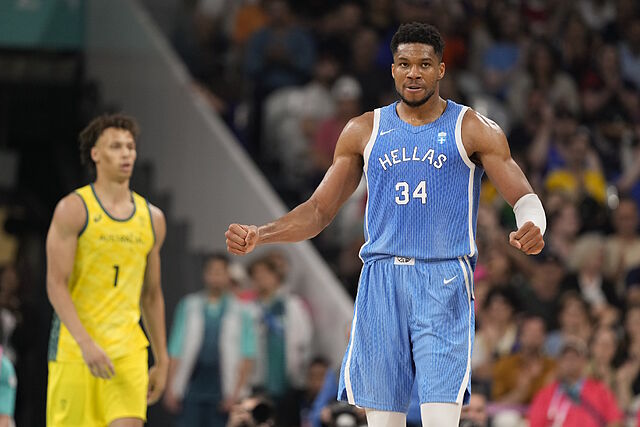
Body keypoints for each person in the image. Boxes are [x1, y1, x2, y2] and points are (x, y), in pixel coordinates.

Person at [226, 22, 546, 427]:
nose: (414, 73)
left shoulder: (472, 128)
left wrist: (533, 223)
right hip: (381, 279)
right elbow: (319, 211)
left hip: (443, 278)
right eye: (405, 64)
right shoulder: (363, 129)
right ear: (393, 69)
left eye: (424, 64)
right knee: (383, 422)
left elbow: (523, 195)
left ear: (441, 70)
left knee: (441, 418)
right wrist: (262, 234)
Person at [46, 114, 168, 427]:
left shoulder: (152, 218)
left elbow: (152, 295)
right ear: (95, 154)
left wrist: (163, 359)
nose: (126, 153)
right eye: (116, 146)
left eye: (130, 146)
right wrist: (87, 344)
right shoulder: (73, 209)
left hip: (127, 350)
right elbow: (56, 284)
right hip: (75, 349)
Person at [164, 253, 256, 427]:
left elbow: (247, 354)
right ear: (204, 274)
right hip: (191, 389)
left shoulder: (241, 311)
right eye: (212, 271)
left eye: (220, 272)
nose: (215, 276)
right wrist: (170, 387)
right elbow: (176, 349)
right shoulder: (189, 305)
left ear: (228, 275)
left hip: (222, 392)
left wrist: (236, 394)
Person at [528, 337, 623, 427]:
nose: (570, 362)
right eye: (566, 357)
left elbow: (615, 420)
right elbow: (535, 423)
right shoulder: (546, 394)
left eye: (574, 357)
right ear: (559, 362)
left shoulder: (600, 391)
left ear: (584, 361)